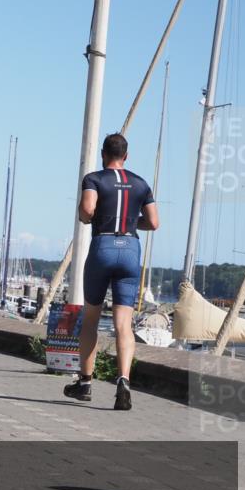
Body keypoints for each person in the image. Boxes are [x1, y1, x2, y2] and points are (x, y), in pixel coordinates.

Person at [64, 133, 159, 411]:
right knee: (123, 325)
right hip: (130, 249)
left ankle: (85, 383)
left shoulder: (94, 179)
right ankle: (124, 381)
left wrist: (90, 217)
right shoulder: (141, 183)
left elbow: (87, 209)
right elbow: (154, 222)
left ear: (103, 154)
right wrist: (130, 222)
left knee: (91, 319)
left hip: (103, 245)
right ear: (126, 156)